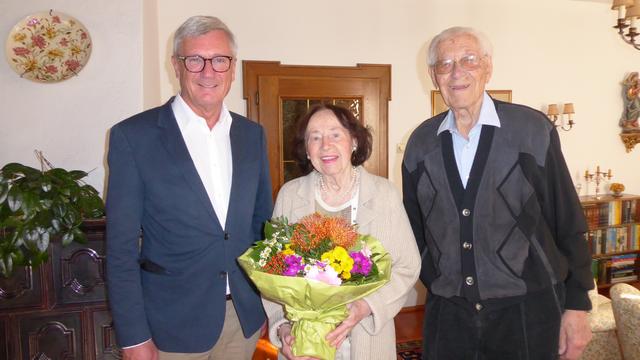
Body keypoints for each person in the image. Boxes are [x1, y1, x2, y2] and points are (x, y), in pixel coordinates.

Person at [402, 27, 593, 360]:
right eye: (445, 64)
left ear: (488, 68)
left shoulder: (532, 130)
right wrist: (436, 279)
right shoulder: (420, 144)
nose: (456, 71)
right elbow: (413, 232)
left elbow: (568, 222)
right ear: (434, 76)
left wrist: (577, 305)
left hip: (527, 313)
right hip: (449, 317)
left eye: (469, 60)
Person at [105, 16, 272, 360]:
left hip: (243, 321)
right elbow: (120, 248)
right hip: (170, 325)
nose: (208, 72)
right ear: (176, 66)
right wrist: (133, 338)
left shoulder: (251, 135)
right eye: (194, 60)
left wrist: (269, 307)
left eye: (219, 60)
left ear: (233, 67)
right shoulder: (133, 137)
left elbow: (262, 229)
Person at [262, 104, 421, 360]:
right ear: (306, 149)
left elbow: (407, 267)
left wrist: (365, 306)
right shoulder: (290, 195)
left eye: (335, 134)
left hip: (367, 338)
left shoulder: (384, 194)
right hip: (305, 344)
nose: (325, 145)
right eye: (314, 137)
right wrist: (284, 329)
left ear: (354, 141)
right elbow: (273, 272)